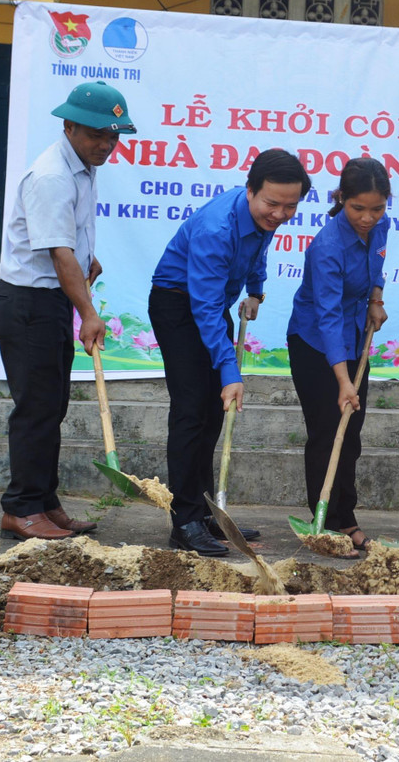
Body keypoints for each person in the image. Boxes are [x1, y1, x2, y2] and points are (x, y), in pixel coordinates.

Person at [0, 80, 136, 541]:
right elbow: (59, 255)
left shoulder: (82, 168)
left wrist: (87, 256)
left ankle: (44, 501)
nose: (106, 145)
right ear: (69, 126)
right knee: (35, 408)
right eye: (97, 134)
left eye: (113, 136)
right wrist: (89, 313)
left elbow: (70, 246)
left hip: (48, 300)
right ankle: (19, 508)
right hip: (28, 302)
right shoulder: (53, 175)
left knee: (52, 406)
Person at [151, 148, 312, 556]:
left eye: (289, 206)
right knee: (191, 411)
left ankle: (205, 513)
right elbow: (203, 308)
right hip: (178, 304)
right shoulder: (215, 228)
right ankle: (183, 522)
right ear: (250, 190)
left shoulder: (262, 216)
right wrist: (229, 371)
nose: (278, 214)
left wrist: (256, 289)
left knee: (209, 416)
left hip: (208, 305)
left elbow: (259, 247)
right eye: (271, 203)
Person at [287, 157, 390, 556]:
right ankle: (325, 522)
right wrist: (344, 380)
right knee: (328, 432)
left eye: (377, 208)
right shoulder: (326, 246)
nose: (368, 218)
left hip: (354, 338)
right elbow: (327, 316)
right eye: (358, 208)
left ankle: (347, 517)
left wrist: (376, 299)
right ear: (341, 199)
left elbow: (377, 264)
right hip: (315, 343)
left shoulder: (381, 226)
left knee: (352, 433)